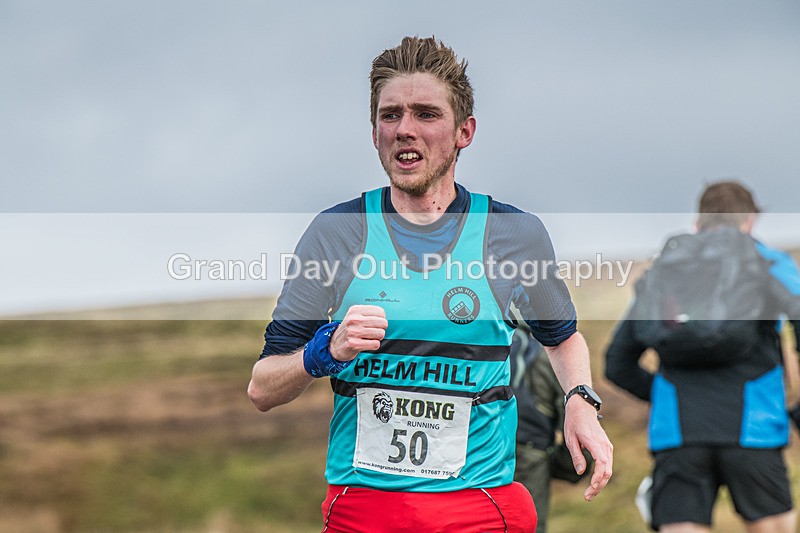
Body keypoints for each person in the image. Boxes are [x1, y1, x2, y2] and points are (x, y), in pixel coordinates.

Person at [248, 36, 613, 533]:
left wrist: (580, 403)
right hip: (364, 508)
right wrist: (323, 351)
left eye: (426, 114)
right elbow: (263, 387)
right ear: (374, 131)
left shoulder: (513, 235)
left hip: (479, 506)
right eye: (390, 114)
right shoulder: (337, 234)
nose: (405, 130)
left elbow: (562, 338)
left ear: (465, 131)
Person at [605, 181, 800, 533]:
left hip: (678, 435)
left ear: (699, 221)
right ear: (750, 220)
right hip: (756, 428)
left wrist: (666, 395)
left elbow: (618, 361)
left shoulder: (668, 269)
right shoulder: (765, 260)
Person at [510, 322, 592, 533]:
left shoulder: (472, 339)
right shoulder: (548, 349)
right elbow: (576, 421)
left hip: (468, 455)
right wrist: (555, 464)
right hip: (529, 460)